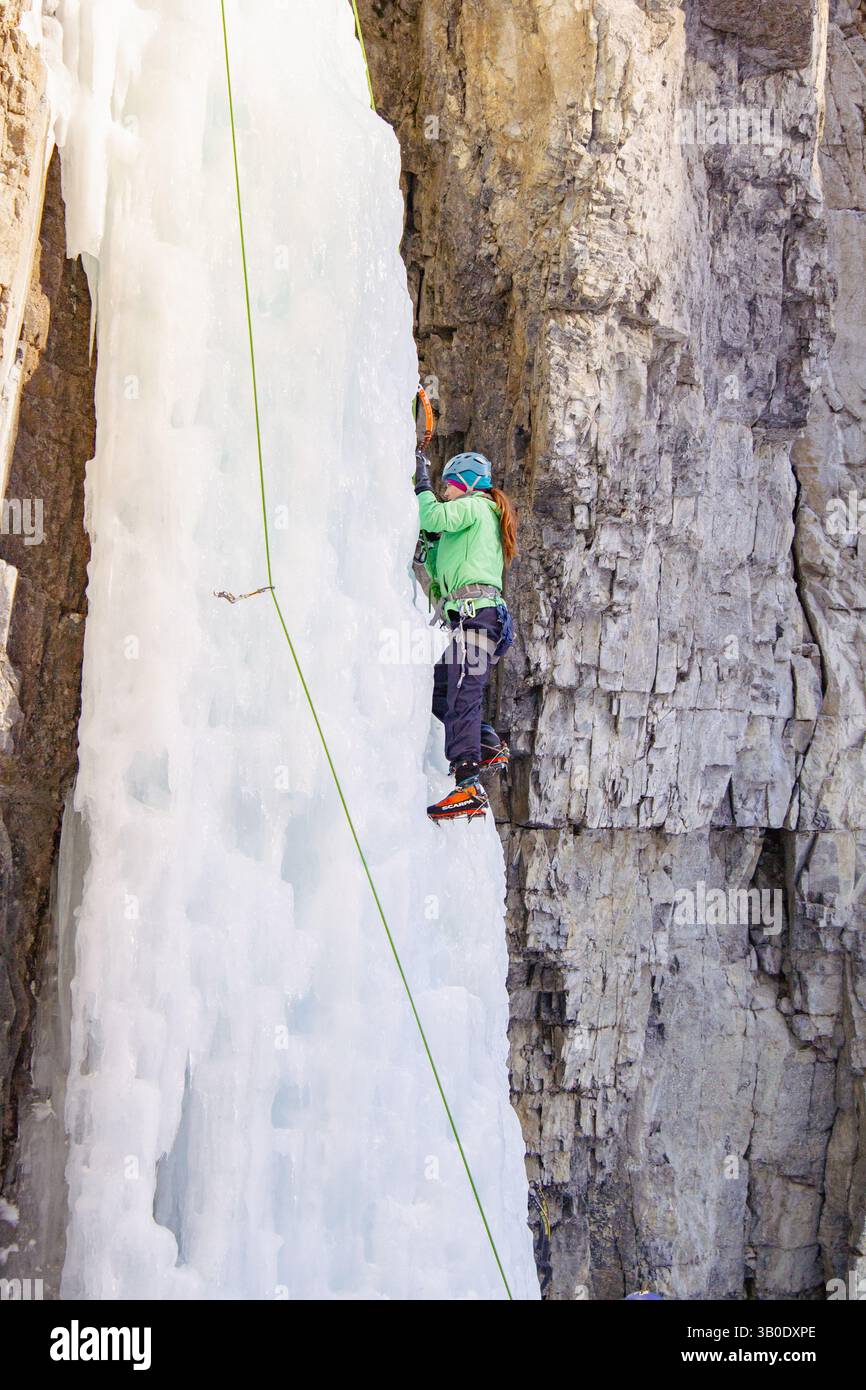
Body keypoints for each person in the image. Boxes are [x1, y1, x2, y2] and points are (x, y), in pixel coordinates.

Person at [413, 450, 518, 822]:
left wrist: (421, 485)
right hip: (474, 619)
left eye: (449, 486)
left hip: (478, 618)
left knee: (463, 693)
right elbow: (441, 567)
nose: (446, 492)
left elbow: (433, 515)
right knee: (441, 690)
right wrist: (428, 548)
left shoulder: (477, 507)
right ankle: (485, 742)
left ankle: (469, 784)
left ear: (468, 484)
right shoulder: (472, 522)